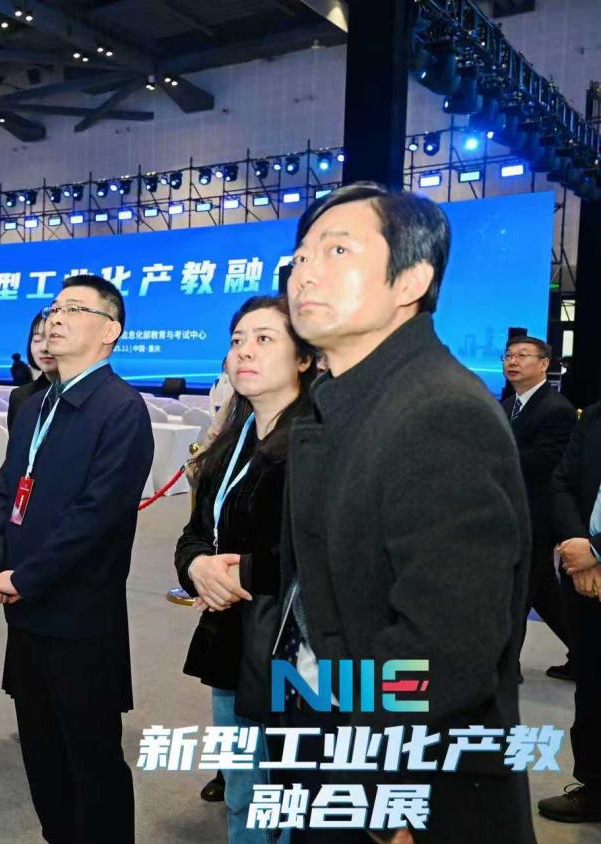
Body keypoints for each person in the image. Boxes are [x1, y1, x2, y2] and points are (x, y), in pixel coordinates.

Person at [277, 182, 533, 841]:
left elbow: (443, 649)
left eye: (337, 251)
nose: (305, 273)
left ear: (411, 280)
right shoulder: (352, 400)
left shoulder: (437, 412)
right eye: (300, 257)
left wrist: (376, 791)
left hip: (408, 781)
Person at [0, 274, 153, 843]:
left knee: (91, 757)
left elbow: (96, 518)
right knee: (40, 749)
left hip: (80, 616)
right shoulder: (35, 406)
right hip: (24, 609)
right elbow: (7, 492)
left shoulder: (121, 409)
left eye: (74, 309)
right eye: (54, 308)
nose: (55, 318)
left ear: (110, 330)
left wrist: (24, 577)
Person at [175, 295, 317, 844]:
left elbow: (323, 549)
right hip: (232, 641)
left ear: (304, 358)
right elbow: (194, 533)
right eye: (237, 341)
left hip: (297, 651)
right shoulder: (231, 444)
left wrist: (240, 575)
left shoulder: (319, 440)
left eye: (264, 339)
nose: (244, 352)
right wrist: (198, 567)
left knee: (293, 798)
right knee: (243, 792)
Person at [538, 401, 601, 822]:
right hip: (584, 576)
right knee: (592, 684)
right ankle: (594, 786)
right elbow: (561, 482)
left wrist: (596, 552)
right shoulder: (594, 416)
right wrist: (579, 548)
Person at [501, 335, 577, 679]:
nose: (512, 361)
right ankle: (587, 654)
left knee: (518, 588)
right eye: (508, 355)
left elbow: (545, 462)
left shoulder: (556, 409)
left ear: (544, 364)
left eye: (522, 355)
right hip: (510, 512)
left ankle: (506, 667)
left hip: (536, 515)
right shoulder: (508, 405)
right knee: (543, 590)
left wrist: (492, 453)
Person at [6, 312, 57, 430]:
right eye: (37, 340)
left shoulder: (94, 396)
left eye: (54, 338)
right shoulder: (20, 397)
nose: (44, 348)